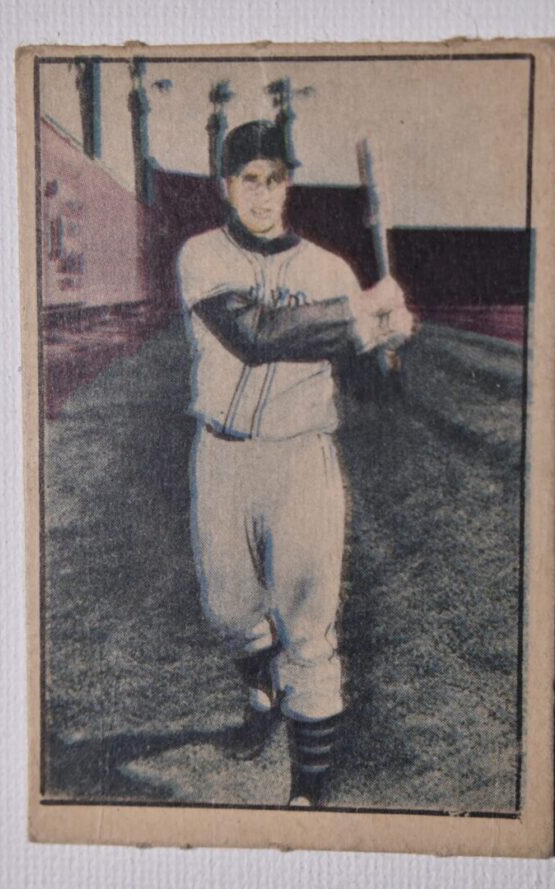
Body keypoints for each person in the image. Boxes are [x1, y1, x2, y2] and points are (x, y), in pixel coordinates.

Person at [178, 120, 415, 807]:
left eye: (274, 177)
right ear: (227, 186)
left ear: (290, 183)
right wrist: (367, 312)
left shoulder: (329, 270)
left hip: (300, 463)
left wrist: (393, 341)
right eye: (248, 179)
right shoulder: (202, 255)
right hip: (221, 460)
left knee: (309, 630)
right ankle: (261, 687)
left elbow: (379, 388)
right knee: (230, 612)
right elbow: (254, 334)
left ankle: (307, 794)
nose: (262, 192)